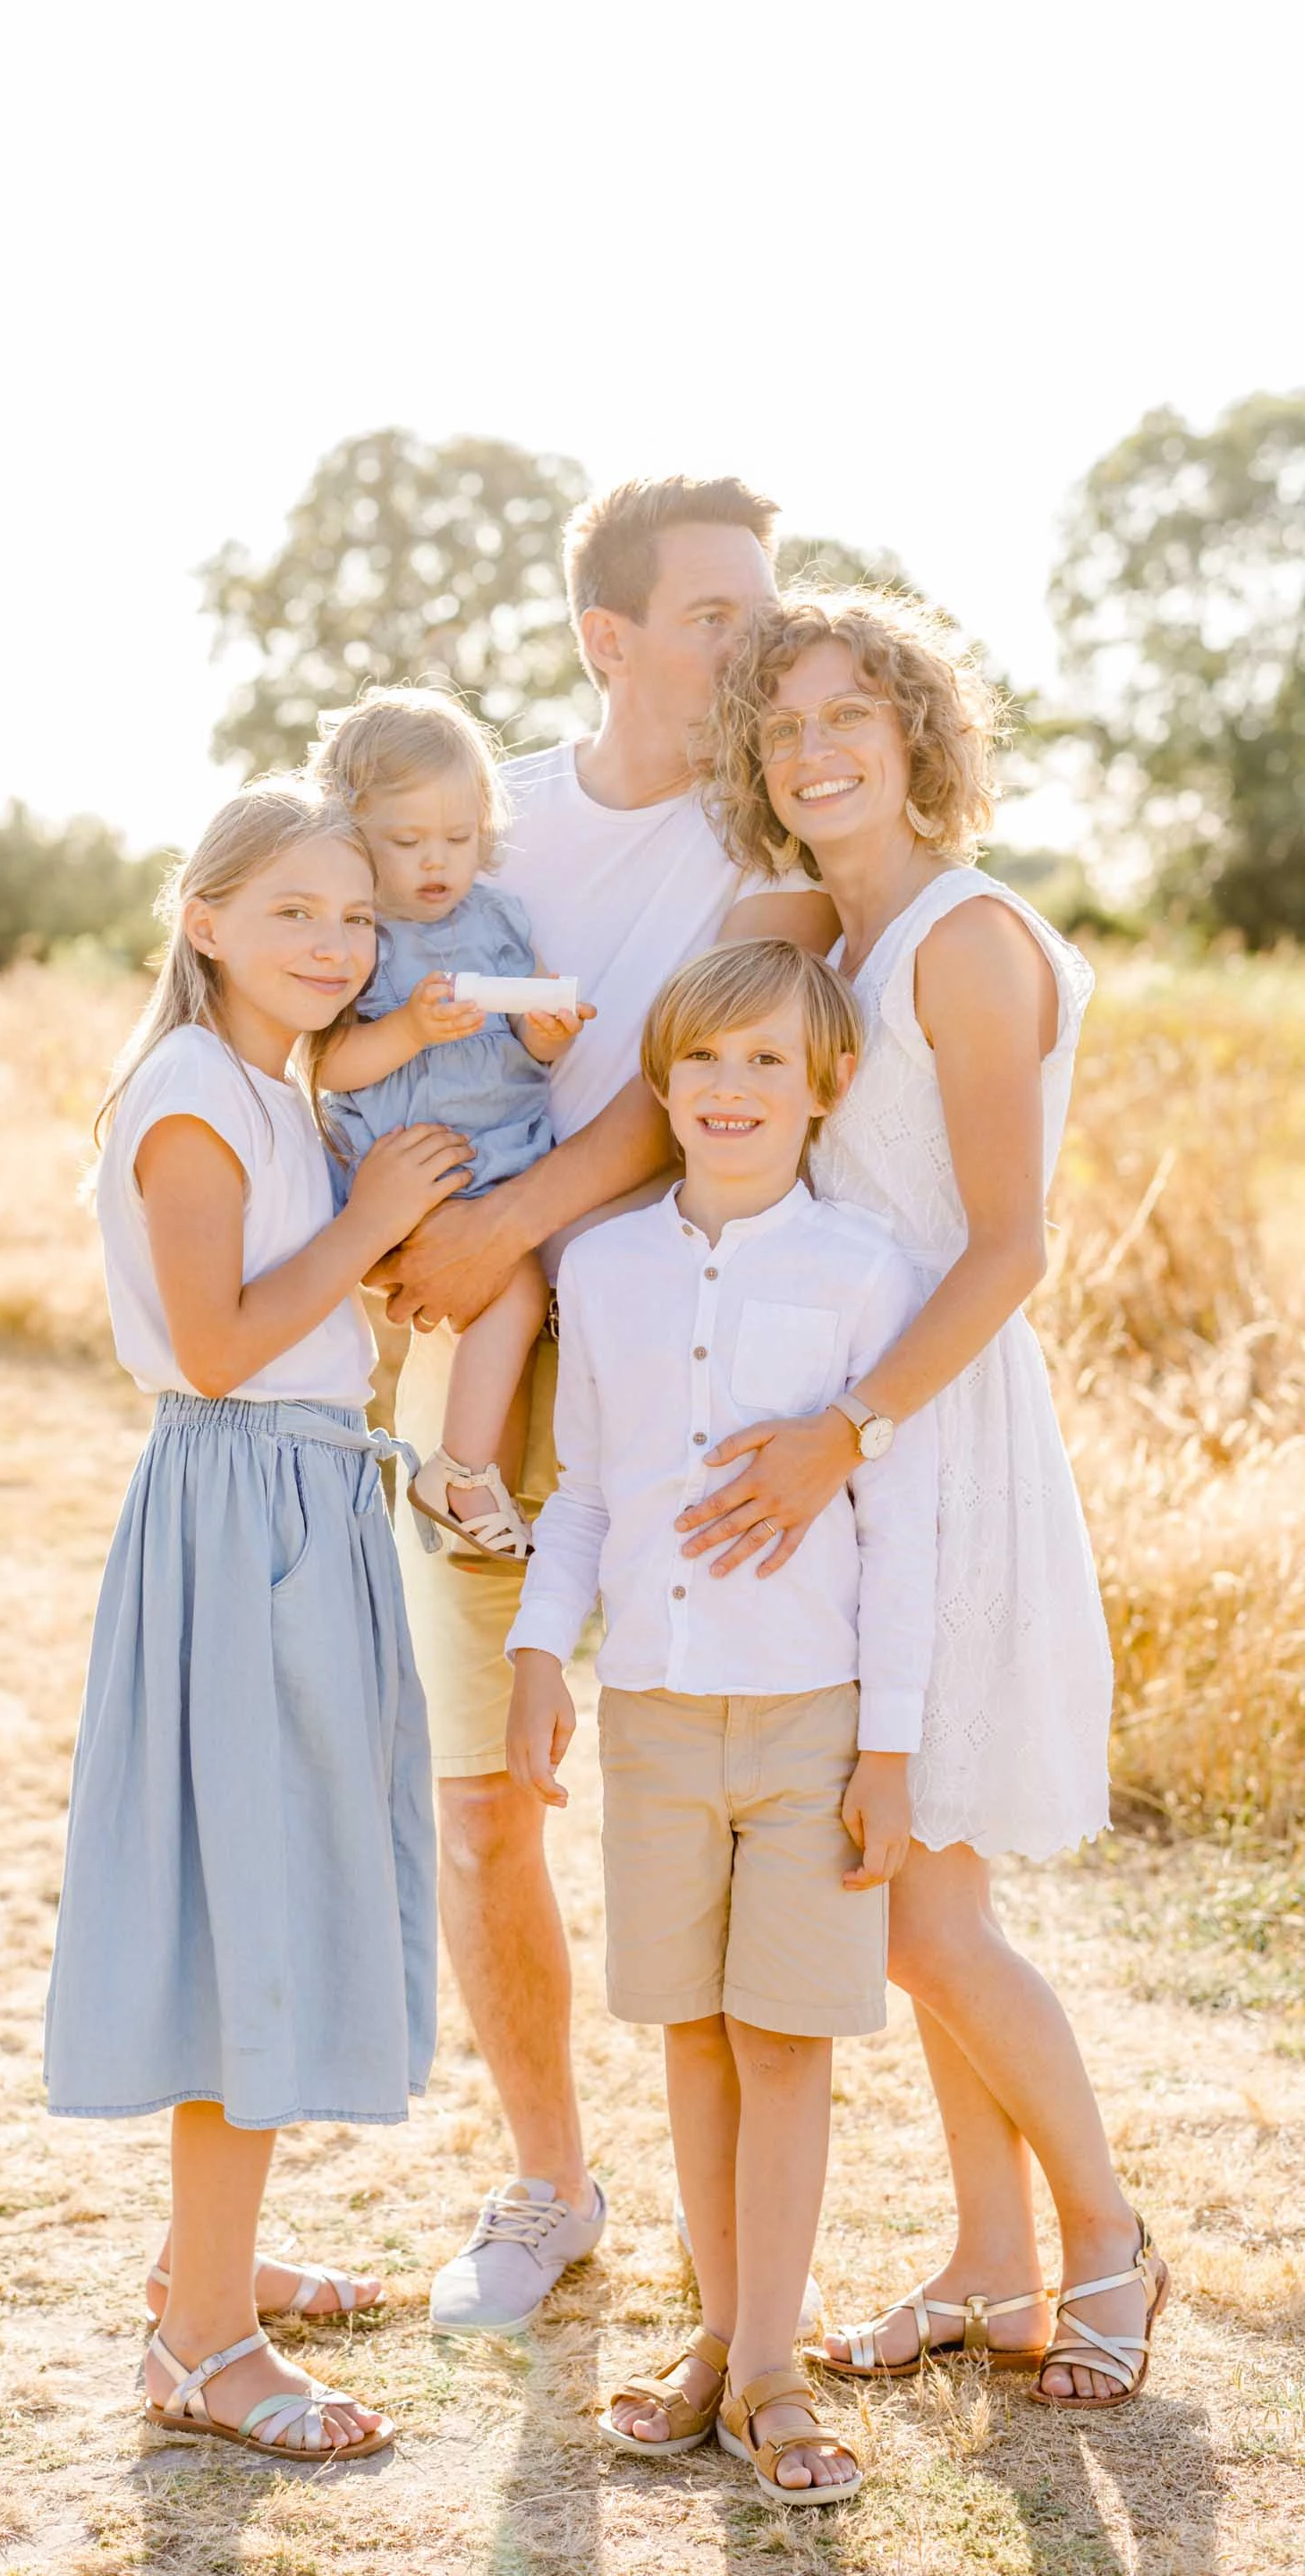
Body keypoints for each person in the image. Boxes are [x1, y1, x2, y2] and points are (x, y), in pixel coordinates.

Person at [366, 477, 838, 2336]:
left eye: (764, 605)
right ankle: (553, 2186)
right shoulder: (505, 820)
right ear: (610, 636)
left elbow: (677, 1084)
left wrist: (501, 1231)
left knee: (701, 1802)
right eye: (719, 613)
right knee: (487, 1804)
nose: (756, 640)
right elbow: (352, 974)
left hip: (687, 1360)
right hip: (485, 1353)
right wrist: (403, 1243)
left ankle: (749, 2271)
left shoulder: (768, 836)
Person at [688, 592, 1169, 2410]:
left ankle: (1108, 2236)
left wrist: (846, 1435)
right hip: (862, 1431)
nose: (816, 750)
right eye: (782, 725)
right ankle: (986, 2265)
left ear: (916, 733)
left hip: (933, 1429)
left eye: (850, 716)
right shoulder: (848, 931)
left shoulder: (964, 942)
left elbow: (1011, 1248)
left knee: (915, 1906)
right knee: (908, 1868)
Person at [43, 778, 470, 2458]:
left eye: (358, 917)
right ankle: (204, 2347)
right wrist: (372, 1231)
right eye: (295, 908)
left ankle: (207, 2262)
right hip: (241, 1516)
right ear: (203, 918)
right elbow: (217, 1348)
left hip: (306, 1503)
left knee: (284, 1876)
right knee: (252, 1902)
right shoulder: (191, 1100)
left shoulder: (274, 1089)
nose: (336, 942)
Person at [506, 940, 936, 2498]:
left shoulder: (867, 1272)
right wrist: (544, 1656)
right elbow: (590, 1492)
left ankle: (773, 2366)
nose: (732, 1089)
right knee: (691, 2028)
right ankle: (718, 2335)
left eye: (768, 1062)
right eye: (704, 1061)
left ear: (825, 1088)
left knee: (783, 2038)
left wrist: (889, 1747)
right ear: (663, 1083)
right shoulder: (602, 1270)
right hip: (657, 1719)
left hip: (812, 1720)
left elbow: (903, 1529)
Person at [314, 688, 593, 1562]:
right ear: (354, 838)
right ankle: (460, 1474)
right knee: (509, 1289)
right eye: (406, 842)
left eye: (459, 839)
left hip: (503, 1154)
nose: (437, 862)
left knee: (528, 1288)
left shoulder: (501, 919)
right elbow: (325, 1062)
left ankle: (476, 1487)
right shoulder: (357, 932)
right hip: (413, 1162)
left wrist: (546, 1035)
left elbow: (534, 1037)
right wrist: (406, 1030)